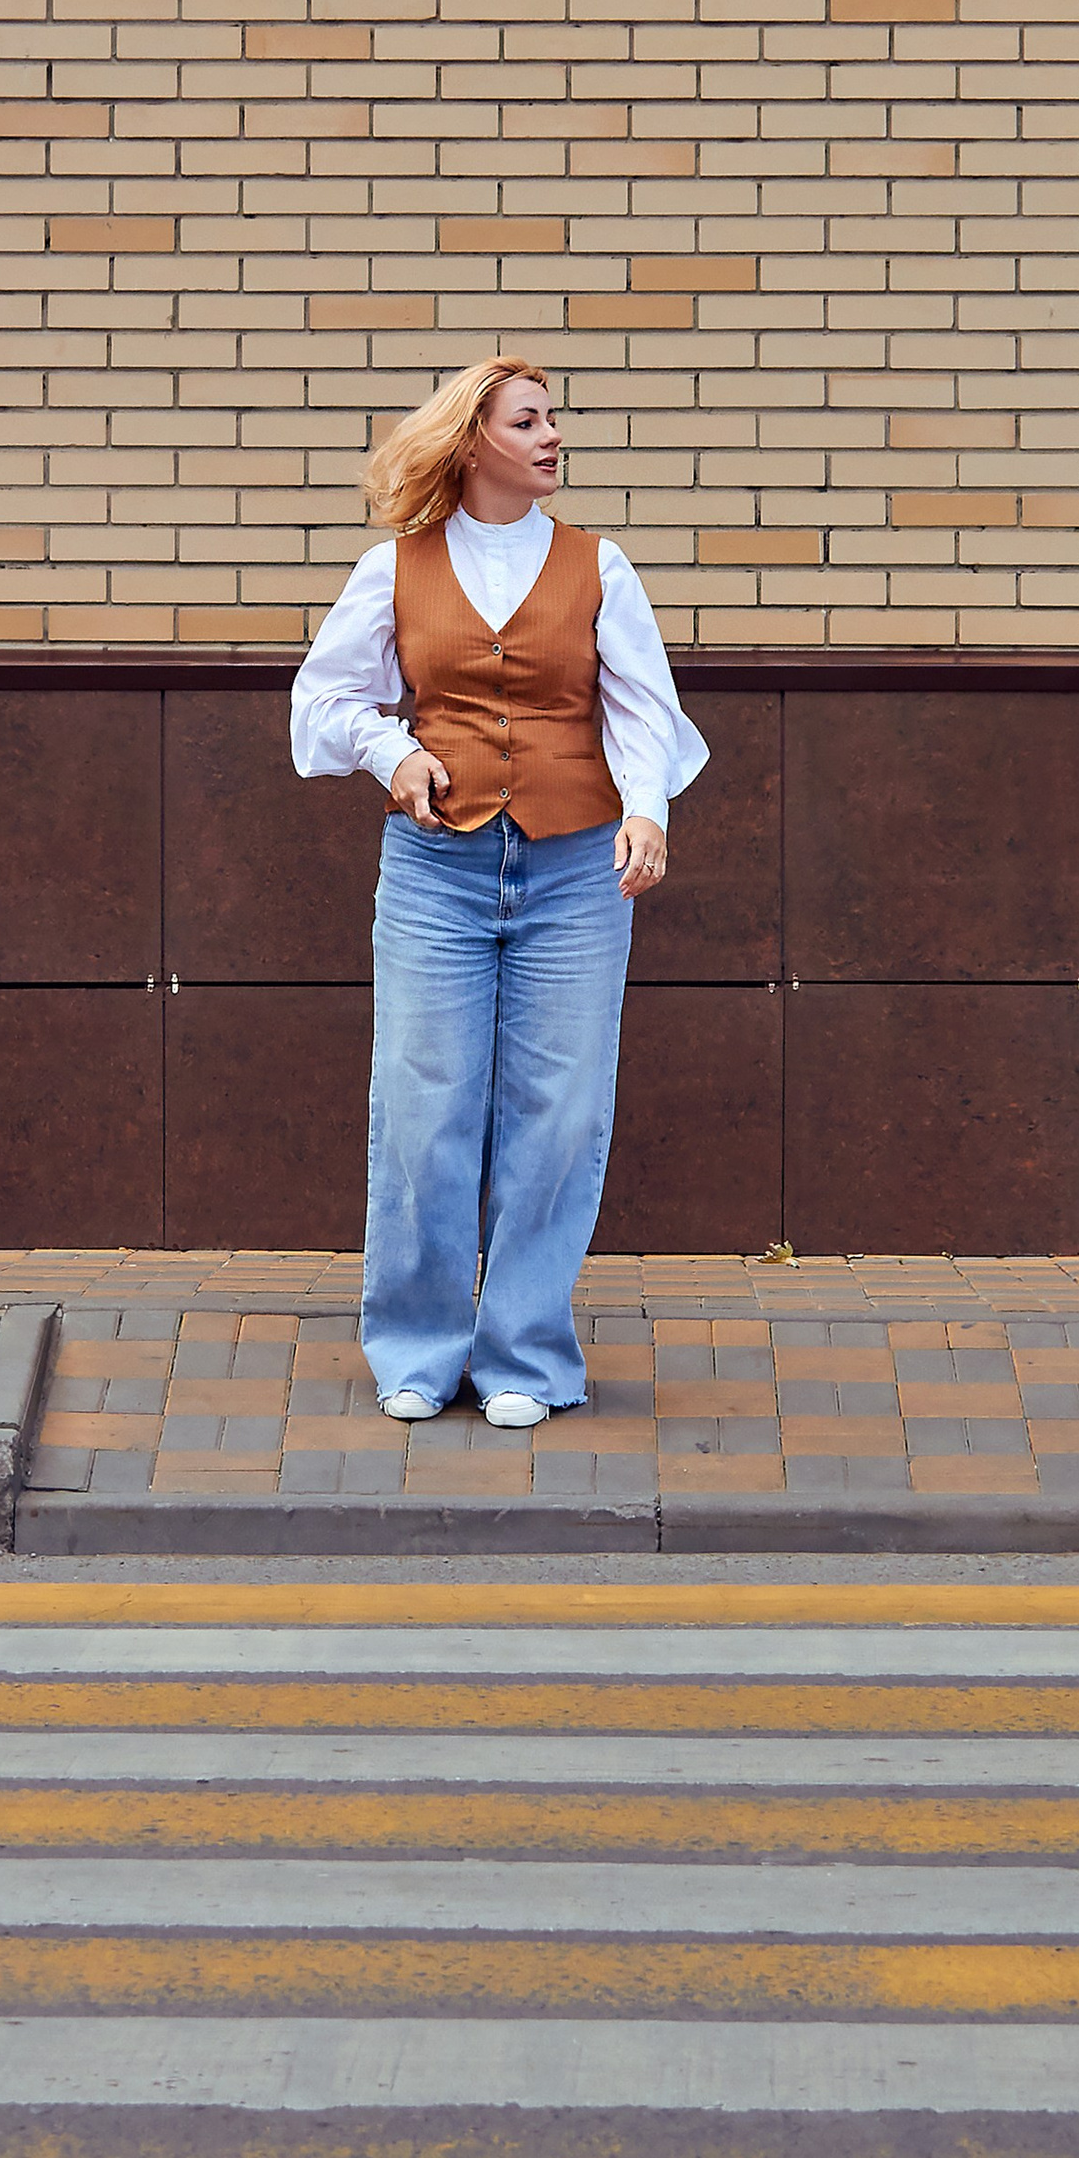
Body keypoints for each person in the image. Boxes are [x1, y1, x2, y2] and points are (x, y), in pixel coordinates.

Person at [291, 354, 707, 1428]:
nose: (552, 436)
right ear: (474, 440)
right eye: (530, 421)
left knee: (559, 1114)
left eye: (554, 419)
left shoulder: (598, 565)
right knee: (424, 1110)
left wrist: (647, 810)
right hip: (436, 870)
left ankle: (524, 1353)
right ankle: (420, 1346)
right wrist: (393, 755)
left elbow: (643, 712)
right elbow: (324, 697)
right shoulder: (397, 569)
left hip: (576, 871)